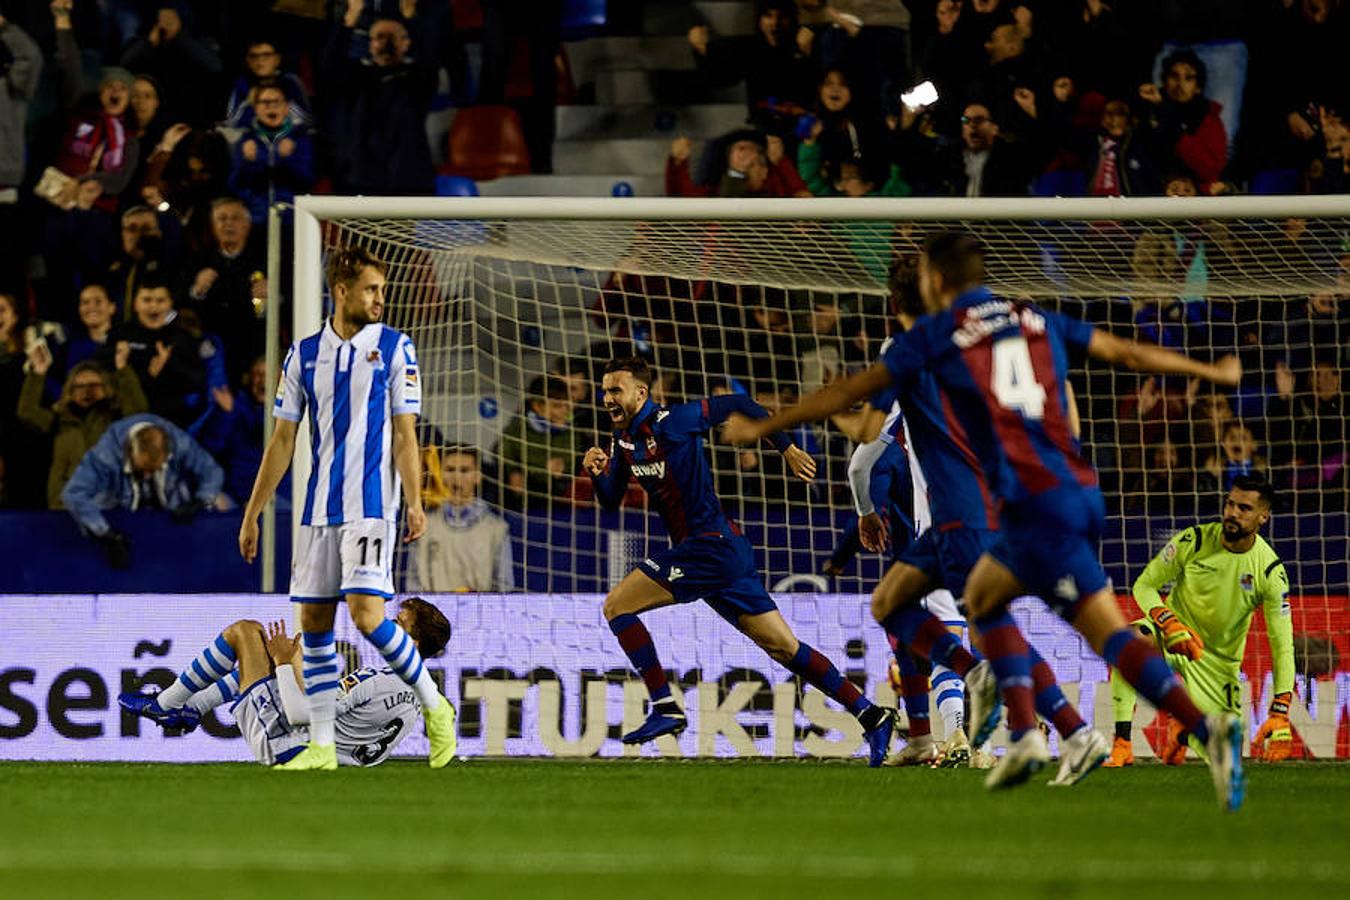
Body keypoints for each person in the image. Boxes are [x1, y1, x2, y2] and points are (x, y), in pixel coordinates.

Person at [724, 232, 1248, 809]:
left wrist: (763, 426)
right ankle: (1099, 728)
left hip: (1011, 507)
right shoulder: (1032, 317)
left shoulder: (933, 339)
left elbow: (856, 403)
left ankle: (1032, 720)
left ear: (937, 280)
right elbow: (1123, 354)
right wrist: (1213, 371)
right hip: (1070, 488)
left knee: (1007, 617)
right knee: (967, 606)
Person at [788, 256, 1104, 783]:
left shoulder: (908, 354)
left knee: (946, 624)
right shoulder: (988, 347)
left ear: (895, 304)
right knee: (936, 614)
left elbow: (866, 450)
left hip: (956, 518)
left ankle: (979, 735)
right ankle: (1052, 728)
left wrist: (837, 418)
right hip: (1017, 508)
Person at [581, 356, 898, 764]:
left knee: (617, 606)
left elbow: (739, 404)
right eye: (604, 390)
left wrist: (786, 448)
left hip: (709, 547)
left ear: (641, 393)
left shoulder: (675, 422)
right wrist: (595, 471)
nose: (606, 397)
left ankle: (664, 706)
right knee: (784, 648)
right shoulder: (622, 440)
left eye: (615, 389)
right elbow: (610, 501)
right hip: (715, 555)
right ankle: (872, 714)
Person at [236, 245, 457, 771]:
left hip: (370, 507)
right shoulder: (302, 355)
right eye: (372, 289)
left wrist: (415, 500)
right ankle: (322, 747)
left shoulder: (396, 348)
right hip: (317, 511)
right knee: (313, 625)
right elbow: (282, 442)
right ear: (342, 291)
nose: (381, 298)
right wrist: (253, 511)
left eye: (383, 289)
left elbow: (407, 436)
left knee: (365, 616)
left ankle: (436, 706)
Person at [119, 599, 451, 767]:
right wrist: (293, 663)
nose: (388, 626)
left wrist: (283, 663)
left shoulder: (375, 680)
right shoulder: (418, 699)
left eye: (398, 623)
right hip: (334, 763)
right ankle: (190, 709)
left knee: (245, 632)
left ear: (414, 644)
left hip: (286, 747)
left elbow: (299, 714)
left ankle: (165, 706)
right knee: (265, 656)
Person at [1104, 477, 1294, 768]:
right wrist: (1168, 622)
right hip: (1173, 636)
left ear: (1262, 517)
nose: (1232, 512)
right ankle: (1122, 744)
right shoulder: (1194, 540)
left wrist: (1280, 710)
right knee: (1131, 640)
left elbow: (1282, 646)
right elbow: (1144, 585)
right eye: (1230, 504)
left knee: (1225, 759)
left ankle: (1183, 732)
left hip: (1217, 663)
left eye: (1244, 508)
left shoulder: (1269, 571)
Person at [61, 413, 227, 569]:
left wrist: (200, 501)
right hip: (117, 505)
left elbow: (212, 472)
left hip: (170, 502)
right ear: (130, 451)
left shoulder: (179, 444)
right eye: (142, 470)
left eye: (153, 470)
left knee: (221, 500)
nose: (147, 476)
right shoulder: (106, 455)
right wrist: (105, 534)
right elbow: (73, 493)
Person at [18, 342, 147, 508]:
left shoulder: (116, 419)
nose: (86, 391)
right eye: (79, 386)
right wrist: (38, 373)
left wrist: (123, 369)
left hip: (111, 506)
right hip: (65, 506)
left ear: (106, 388)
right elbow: (27, 411)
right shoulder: (59, 420)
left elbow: (139, 414)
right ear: (69, 391)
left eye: (94, 385)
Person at [409, 445, 514, 592]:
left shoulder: (496, 528)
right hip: (433, 612)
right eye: (450, 470)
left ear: (477, 476)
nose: (456, 477)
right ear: (441, 474)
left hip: (481, 612)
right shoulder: (424, 525)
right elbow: (413, 582)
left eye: (464, 470)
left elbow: (504, 585)